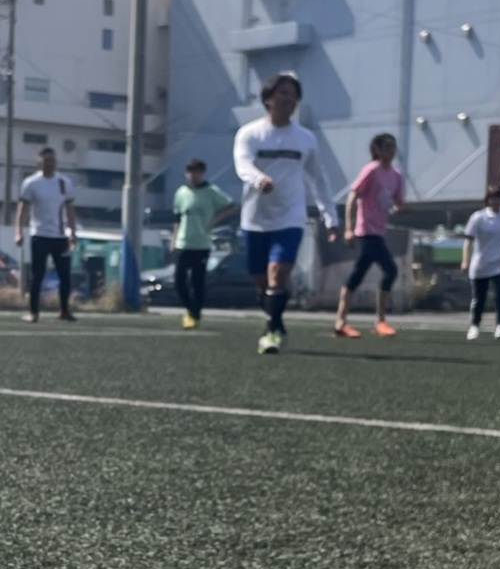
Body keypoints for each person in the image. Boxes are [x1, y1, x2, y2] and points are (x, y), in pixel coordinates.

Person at [233, 72, 334, 357]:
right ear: (268, 99)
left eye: (293, 95)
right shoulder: (250, 133)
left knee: (277, 274)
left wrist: (331, 216)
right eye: (282, 93)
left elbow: (319, 178)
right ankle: (276, 322)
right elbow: (242, 163)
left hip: (290, 216)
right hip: (254, 218)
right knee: (262, 281)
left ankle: (272, 332)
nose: (288, 99)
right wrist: (258, 179)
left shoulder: (305, 138)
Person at [335, 131, 404, 340]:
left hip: (380, 231)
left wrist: (398, 208)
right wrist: (348, 228)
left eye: (393, 147)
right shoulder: (371, 171)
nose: (391, 151)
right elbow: (353, 196)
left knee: (357, 274)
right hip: (366, 231)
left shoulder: (396, 175)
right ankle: (379, 320)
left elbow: (397, 203)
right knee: (390, 270)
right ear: (377, 150)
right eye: (386, 147)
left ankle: (341, 321)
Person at [15, 144, 78, 323]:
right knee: (37, 275)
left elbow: (70, 208)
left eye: (52, 160)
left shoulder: (65, 182)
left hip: (60, 236)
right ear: (39, 163)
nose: (49, 164)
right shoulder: (31, 183)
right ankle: (34, 312)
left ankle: (64, 310)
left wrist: (72, 233)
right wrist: (18, 232)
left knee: (64, 275)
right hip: (40, 235)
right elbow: (22, 209)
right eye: (46, 161)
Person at [169, 159, 234, 329]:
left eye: (196, 171)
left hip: (201, 244)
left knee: (198, 282)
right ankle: (190, 310)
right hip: (183, 243)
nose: (193, 175)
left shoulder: (211, 191)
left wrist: (214, 222)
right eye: (190, 171)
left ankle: (195, 315)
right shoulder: (181, 192)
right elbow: (177, 218)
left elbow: (230, 205)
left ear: (202, 173)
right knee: (179, 281)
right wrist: (173, 239)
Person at [462, 186, 500, 338]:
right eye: (492, 198)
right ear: (488, 200)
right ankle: (475, 325)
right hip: (481, 263)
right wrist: (465, 260)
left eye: (499, 198)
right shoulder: (478, 217)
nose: (495, 201)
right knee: (479, 298)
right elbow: (468, 240)